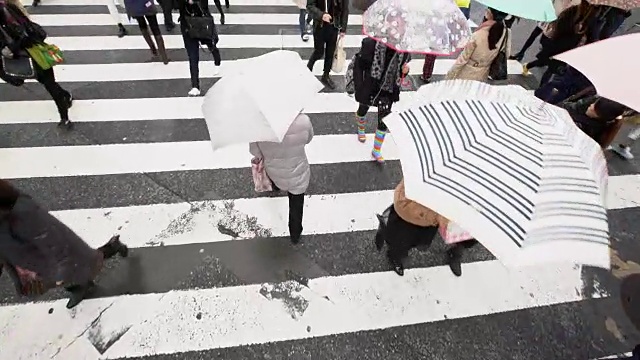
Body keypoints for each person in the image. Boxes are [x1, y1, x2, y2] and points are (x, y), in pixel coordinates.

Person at [0, 180, 129, 309]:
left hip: (51, 255)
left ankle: (112, 247)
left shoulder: (23, 213)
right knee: (69, 272)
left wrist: (62, 272)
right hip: (34, 261)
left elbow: (51, 239)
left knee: (85, 263)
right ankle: (80, 286)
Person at [0, 0, 73, 128]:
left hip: (33, 52)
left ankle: (64, 117)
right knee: (45, 81)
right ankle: (65, 96)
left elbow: (26, 35)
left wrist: (11, 48)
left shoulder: (7, 11)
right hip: (19, 54)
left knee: (49, 84)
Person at [249, 113, 314, 244]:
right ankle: (295, 234)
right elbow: (308, 138)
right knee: (296, 203)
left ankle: (276, 187)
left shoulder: (258, 126)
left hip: (273, 170)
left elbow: (254, 151)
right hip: (297, 170)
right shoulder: (303, 121)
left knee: (276, 179)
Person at [349, 37, 411, 163]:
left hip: (388, 88)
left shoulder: (404, 49)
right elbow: (360, 65)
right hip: (371, 84)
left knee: (384, 119)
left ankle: (376, 150)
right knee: (363, 109)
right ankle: (361, 128)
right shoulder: (371, 44)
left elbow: (401, 70)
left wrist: (405, 70)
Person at [375, 179, 446, 276]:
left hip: (429, 221)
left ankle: (391, 239)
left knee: (419, 243)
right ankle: (393, 255)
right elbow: (402, 202)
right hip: (407, 216)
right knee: (398, 243)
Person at [445, 7, 510, 82]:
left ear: (489, 13)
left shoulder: (477, 35)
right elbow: (506, 54)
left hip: (466, 75)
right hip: (483, 74)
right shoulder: (506, 33)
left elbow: (462, 60)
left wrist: (449, 76)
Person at [177, 0, 221, 96]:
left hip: (202, 21)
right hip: (187, 25)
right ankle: (195, 85)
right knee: (193, 56)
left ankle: (217, 60)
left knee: (210, 44)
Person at [307, 0, 348, 89]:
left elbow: (345, 9)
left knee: (330, 53)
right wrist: (322, 15)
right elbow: (310, 5)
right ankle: (308, 70)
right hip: (320, 25)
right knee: (319, 51)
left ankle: (326, 75)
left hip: (334, 26)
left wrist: (343, 28)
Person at [560, 95, 627, 148]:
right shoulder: (586, 107)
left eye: (594, 109)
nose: (591, 106)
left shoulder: (586, 129)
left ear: (600, 115)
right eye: (593, 104)